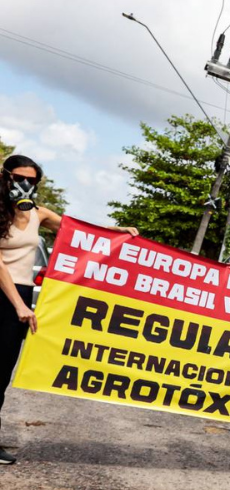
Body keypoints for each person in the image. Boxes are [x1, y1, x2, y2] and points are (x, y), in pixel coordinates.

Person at [0, 155, 138, 465]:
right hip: (7, 296)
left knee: (1, 373)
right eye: (18, 178)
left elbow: (79, 230)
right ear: (5, 177)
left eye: (32, 180)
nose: (24, 185)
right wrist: (20, 305)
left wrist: (117, 232)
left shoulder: (37, 214)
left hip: (19, 297)